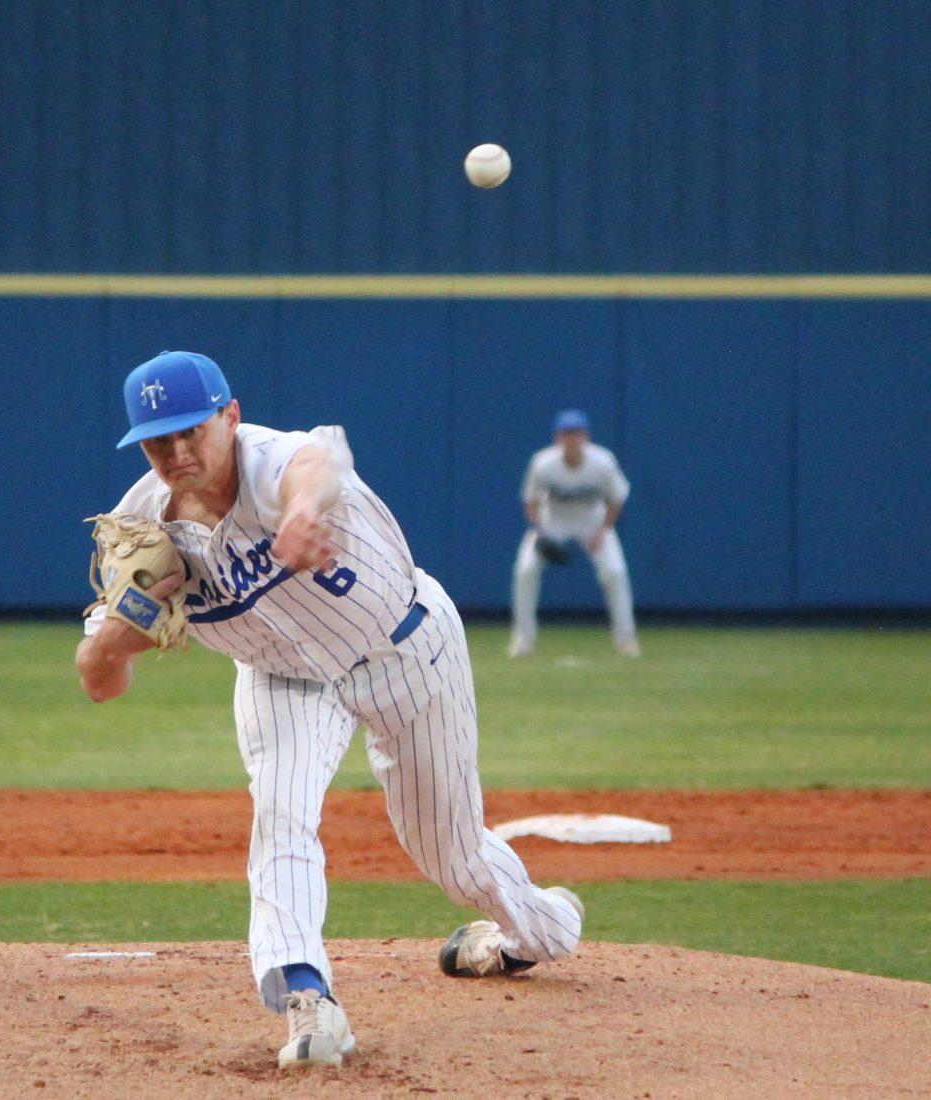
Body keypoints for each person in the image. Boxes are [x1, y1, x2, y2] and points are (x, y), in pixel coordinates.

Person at [76, 351, 584, 1069]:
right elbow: (100, 682)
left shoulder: (273, 462)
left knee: (452, 853)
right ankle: (309, 1002)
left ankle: (542, 932)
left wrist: (306, 512)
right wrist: (114, 643)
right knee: (281, 815)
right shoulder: (144, 525)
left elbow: (317, 461)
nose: (179, 452)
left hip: (403, 647)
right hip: (284, 679)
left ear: (231, 416)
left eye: (193, 430)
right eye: (159, 442)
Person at [509, 409, 640, 657]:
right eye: (567, 433)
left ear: (586, 437)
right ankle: (522, 640)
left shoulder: (602, 462)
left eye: (577, 433)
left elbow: (617, 498)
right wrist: (540, 531)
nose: (572, 439)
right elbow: (530, 500)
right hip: (554, 520)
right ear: (558, 438)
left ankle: (627, 640)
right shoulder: (543, 464)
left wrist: (603, 531)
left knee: (615, 572)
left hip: (593, 519)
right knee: (525, 570)